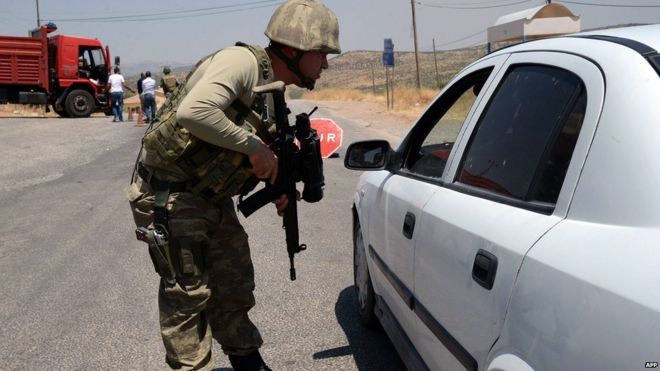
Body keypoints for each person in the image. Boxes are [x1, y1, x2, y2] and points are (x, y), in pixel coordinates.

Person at [125, 1, 340, 370]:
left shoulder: (271, 90)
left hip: (211, 197)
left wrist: (273, 176)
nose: (325, 64)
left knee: (233, 286)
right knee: (188, 297)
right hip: (170, 194)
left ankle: (248, 363)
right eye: (321, 54)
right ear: (294, 49)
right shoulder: (241, 63)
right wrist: (255, 148)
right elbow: (195, 112)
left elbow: (233, 146)